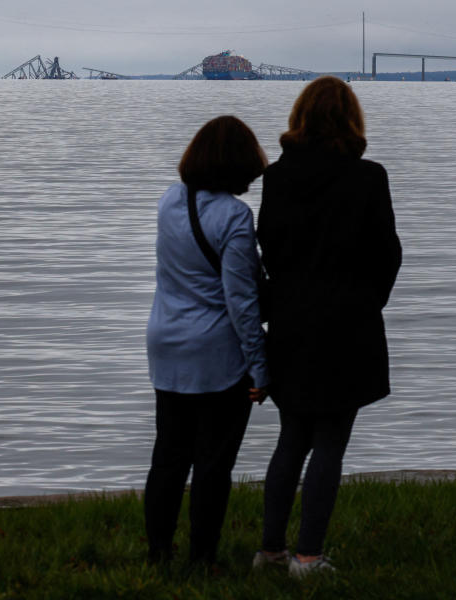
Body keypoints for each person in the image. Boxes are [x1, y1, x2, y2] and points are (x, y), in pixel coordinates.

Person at [253, 76, 401, 577]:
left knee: (291, 436)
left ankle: (270, 551)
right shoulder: (368, 177)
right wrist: (366, 303)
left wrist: (288, 296)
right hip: (348, 323)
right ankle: (309, 557)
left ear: (300, 116)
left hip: (291, 321)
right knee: (331, 440)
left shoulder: (276, 178)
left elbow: (267, 247)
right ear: (351, 120)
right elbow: (387, 255)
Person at [144, 115, 270, 565]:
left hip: (166, 343)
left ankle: (158, 553)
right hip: (216, 354)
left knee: (168, 458)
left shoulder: (168, 201)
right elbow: (240, 300)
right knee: (213, 464)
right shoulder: (235, 216)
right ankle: (203, 559)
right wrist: (259, 366)